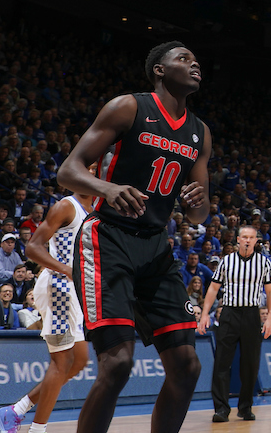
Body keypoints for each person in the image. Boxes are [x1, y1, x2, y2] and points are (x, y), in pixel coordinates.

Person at [57, 42, 211, 433]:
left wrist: (199, 201)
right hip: (107, 238)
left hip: (156, 245)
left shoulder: (200, 133)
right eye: (183, 59)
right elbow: (68, 170)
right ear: (159, 70)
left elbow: (198, 214)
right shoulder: (128, 107)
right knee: (118, 363)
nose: (194, 65)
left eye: (196, 61)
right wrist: (105, 189)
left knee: (187, 365)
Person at [198, 224, 271, 423]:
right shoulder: (226, 261)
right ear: (238, 240)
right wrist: (205, 314)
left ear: (256, 240)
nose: (248, 240)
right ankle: (221, 409)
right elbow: (214, 289)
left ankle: (245, 407)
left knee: (250, 364)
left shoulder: (264, 263)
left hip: (251, 314)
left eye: (251, 237)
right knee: (222, 362)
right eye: (244, 237)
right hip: (229, 313)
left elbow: (270, 292)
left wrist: (269, 319)